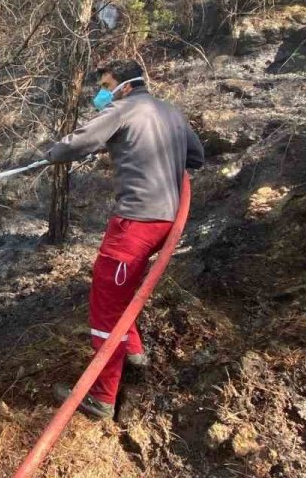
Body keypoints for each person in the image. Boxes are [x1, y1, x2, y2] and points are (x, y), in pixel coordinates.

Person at [44, 60, 204, 421]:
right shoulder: (170, 112)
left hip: (135, 222)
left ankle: (101, 397)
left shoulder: (124, 107)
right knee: (122, 294)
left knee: (105, 307)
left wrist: (51, 155)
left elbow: (80, 141)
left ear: (126, 86)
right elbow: (196, 156)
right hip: (164, 222)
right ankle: (135, 355)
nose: (101, 93)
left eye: (106, 85)